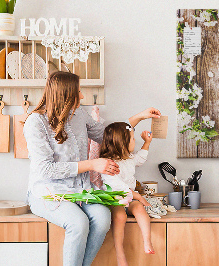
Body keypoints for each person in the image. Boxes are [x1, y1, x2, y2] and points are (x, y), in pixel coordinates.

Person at [23, 71, 161, 266]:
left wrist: (140, 116)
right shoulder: (36, 123)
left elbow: (109, 135)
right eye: (78, 91)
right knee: (78, 224)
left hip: (82, 191)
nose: (82, 96)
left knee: (103, 219)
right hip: (48, 193)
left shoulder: (79, 114)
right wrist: (92, 164)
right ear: (66, 95)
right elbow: (45, 169)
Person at [100, 122, 155, 266]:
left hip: (130, 198)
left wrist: (147, 143)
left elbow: (141, 159)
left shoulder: (129, 158)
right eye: (132, 138)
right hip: (115, 198)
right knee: (120, 216)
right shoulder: (108, 163)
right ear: (121, 143)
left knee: (140, 209)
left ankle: (147, 241)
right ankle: (120, 253)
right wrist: (138, 196)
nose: (134, 140)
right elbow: (117, 187)